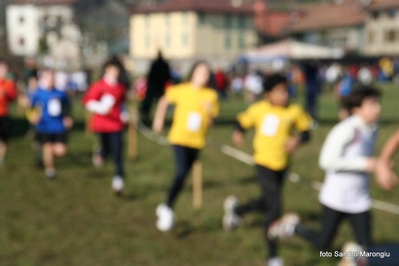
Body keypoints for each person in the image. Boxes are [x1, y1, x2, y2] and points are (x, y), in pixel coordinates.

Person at [269, 87, 386, 266]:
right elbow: (326, 161)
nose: (377, 109)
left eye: (377, 104)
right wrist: (365, 164)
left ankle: (350, 258)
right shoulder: (347, 129)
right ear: (356, 109)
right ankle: (293, 227)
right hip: (335, 198)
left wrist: (380, 167)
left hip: (359, 199)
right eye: (371, 104)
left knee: (367, 249)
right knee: (323, 245)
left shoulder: (372, 129)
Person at [223, 74, 312, 266]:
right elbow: (242, 122)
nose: (284, 95)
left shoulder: (294, 111)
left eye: (286, 90)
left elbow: (306, 132)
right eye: (279, 91)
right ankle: (273, 256)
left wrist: (298, 140)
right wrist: (238, 132)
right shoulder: (258, 109)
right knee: (275, 206)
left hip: (282, 164)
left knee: (266, 202)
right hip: (263, 163)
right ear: (268, 94)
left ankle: (237, 209)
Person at [152, 61, 219, 232]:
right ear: (193, 73)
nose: (203, 76)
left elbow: (212, 123)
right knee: (181, 172)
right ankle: (167, 209)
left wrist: (209, 112)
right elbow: (164, 100)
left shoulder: (211, 95)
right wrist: (159, 119)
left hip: (197, 142)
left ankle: (167, 205)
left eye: (206, 73)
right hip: (179, 139)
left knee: (183, 177)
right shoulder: (182, 90)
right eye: (200, 72)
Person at [83, 57, 129, 194]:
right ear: (107, 70)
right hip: (102, 125)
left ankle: (118, 180)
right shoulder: (99, 85)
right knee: (106, 149)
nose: (115, 72)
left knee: (118, 151)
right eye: (113, 69)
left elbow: (122, 103)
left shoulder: (120, 87)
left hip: (116, 125)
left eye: (117, 70)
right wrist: (102, 109)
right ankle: (101, 152)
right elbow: (88, 102)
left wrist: (124, 115)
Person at [29, 69, 72, 178]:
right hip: (44, 126)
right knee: (47, 146)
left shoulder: (60, 93)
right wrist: (33, 117)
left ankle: (46, 155)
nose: (50, 80)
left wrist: (67, 118)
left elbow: (67, 107)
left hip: (58, 127)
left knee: (61, 151)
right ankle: (50, 170)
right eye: (47, 78)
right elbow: (32, 107)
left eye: (52, 78)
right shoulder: (38, 93)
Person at [140, 51, 171, 124]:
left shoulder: (157, 64)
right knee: (149, 101)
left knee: (160, 102)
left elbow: (150, 75)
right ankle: (146, 116)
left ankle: (156, 118)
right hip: (158, 85)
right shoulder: (163, 64)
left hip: (157, 85)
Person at [0, 59, 17, 165]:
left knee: (3, 139)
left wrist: (5, 94)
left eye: (4, 69)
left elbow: (13, 97)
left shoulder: (10, 83)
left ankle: (1, 158)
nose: (3, 71)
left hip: (4, 114)